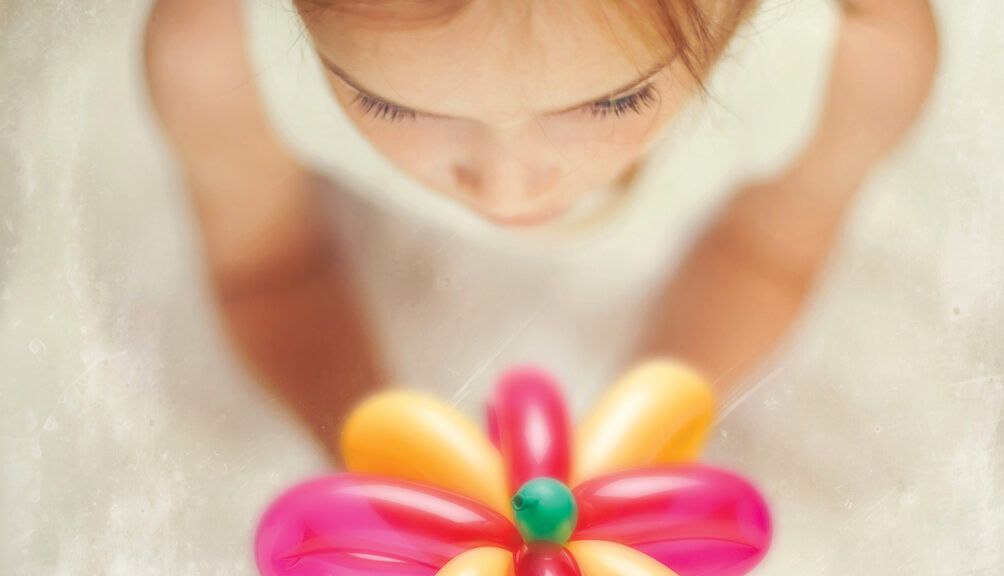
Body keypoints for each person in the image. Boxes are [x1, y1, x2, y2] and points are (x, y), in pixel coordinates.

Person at [142, 0, 938, 454]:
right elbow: (271, 272)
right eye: (387, 103)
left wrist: (641, 439)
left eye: (616, 101)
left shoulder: (853, 55)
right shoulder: (216, 55)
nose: (506, 186)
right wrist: (383, 455)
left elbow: (766, 252)